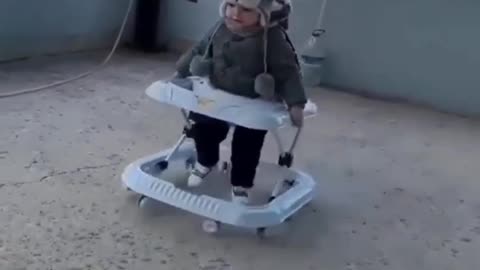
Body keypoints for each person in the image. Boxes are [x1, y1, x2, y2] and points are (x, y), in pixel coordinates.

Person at [174, 0, 307, 205]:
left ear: (263, 13)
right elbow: (200, 49)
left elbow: (288, 71)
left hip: (253, 99)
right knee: (202, 124)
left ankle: (241, 183)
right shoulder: (220, 26)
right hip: (217, 91)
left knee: (248, 142)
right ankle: (206, 160)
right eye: (231, 5)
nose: (235, 13)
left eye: (246, 9)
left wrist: (295, 103)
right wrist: (181, 70)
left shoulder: (272, 38)